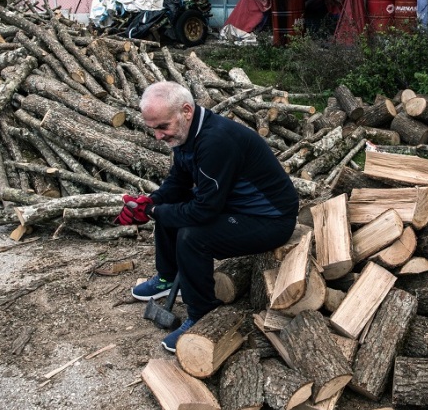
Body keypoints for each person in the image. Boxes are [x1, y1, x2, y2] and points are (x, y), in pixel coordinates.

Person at [114, 81, 299, 352]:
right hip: (234, 205)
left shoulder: (216, 141)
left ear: (186, 111)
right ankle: (168, 277)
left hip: (271, 219)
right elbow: (178, 182)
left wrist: (154, 212)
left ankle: (202, 314)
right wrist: (152, 202)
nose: (158, 136)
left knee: (192, 236)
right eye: (153, 128)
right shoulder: (185, 133)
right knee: (171, 205)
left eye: (162, 127)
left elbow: (204, 211)